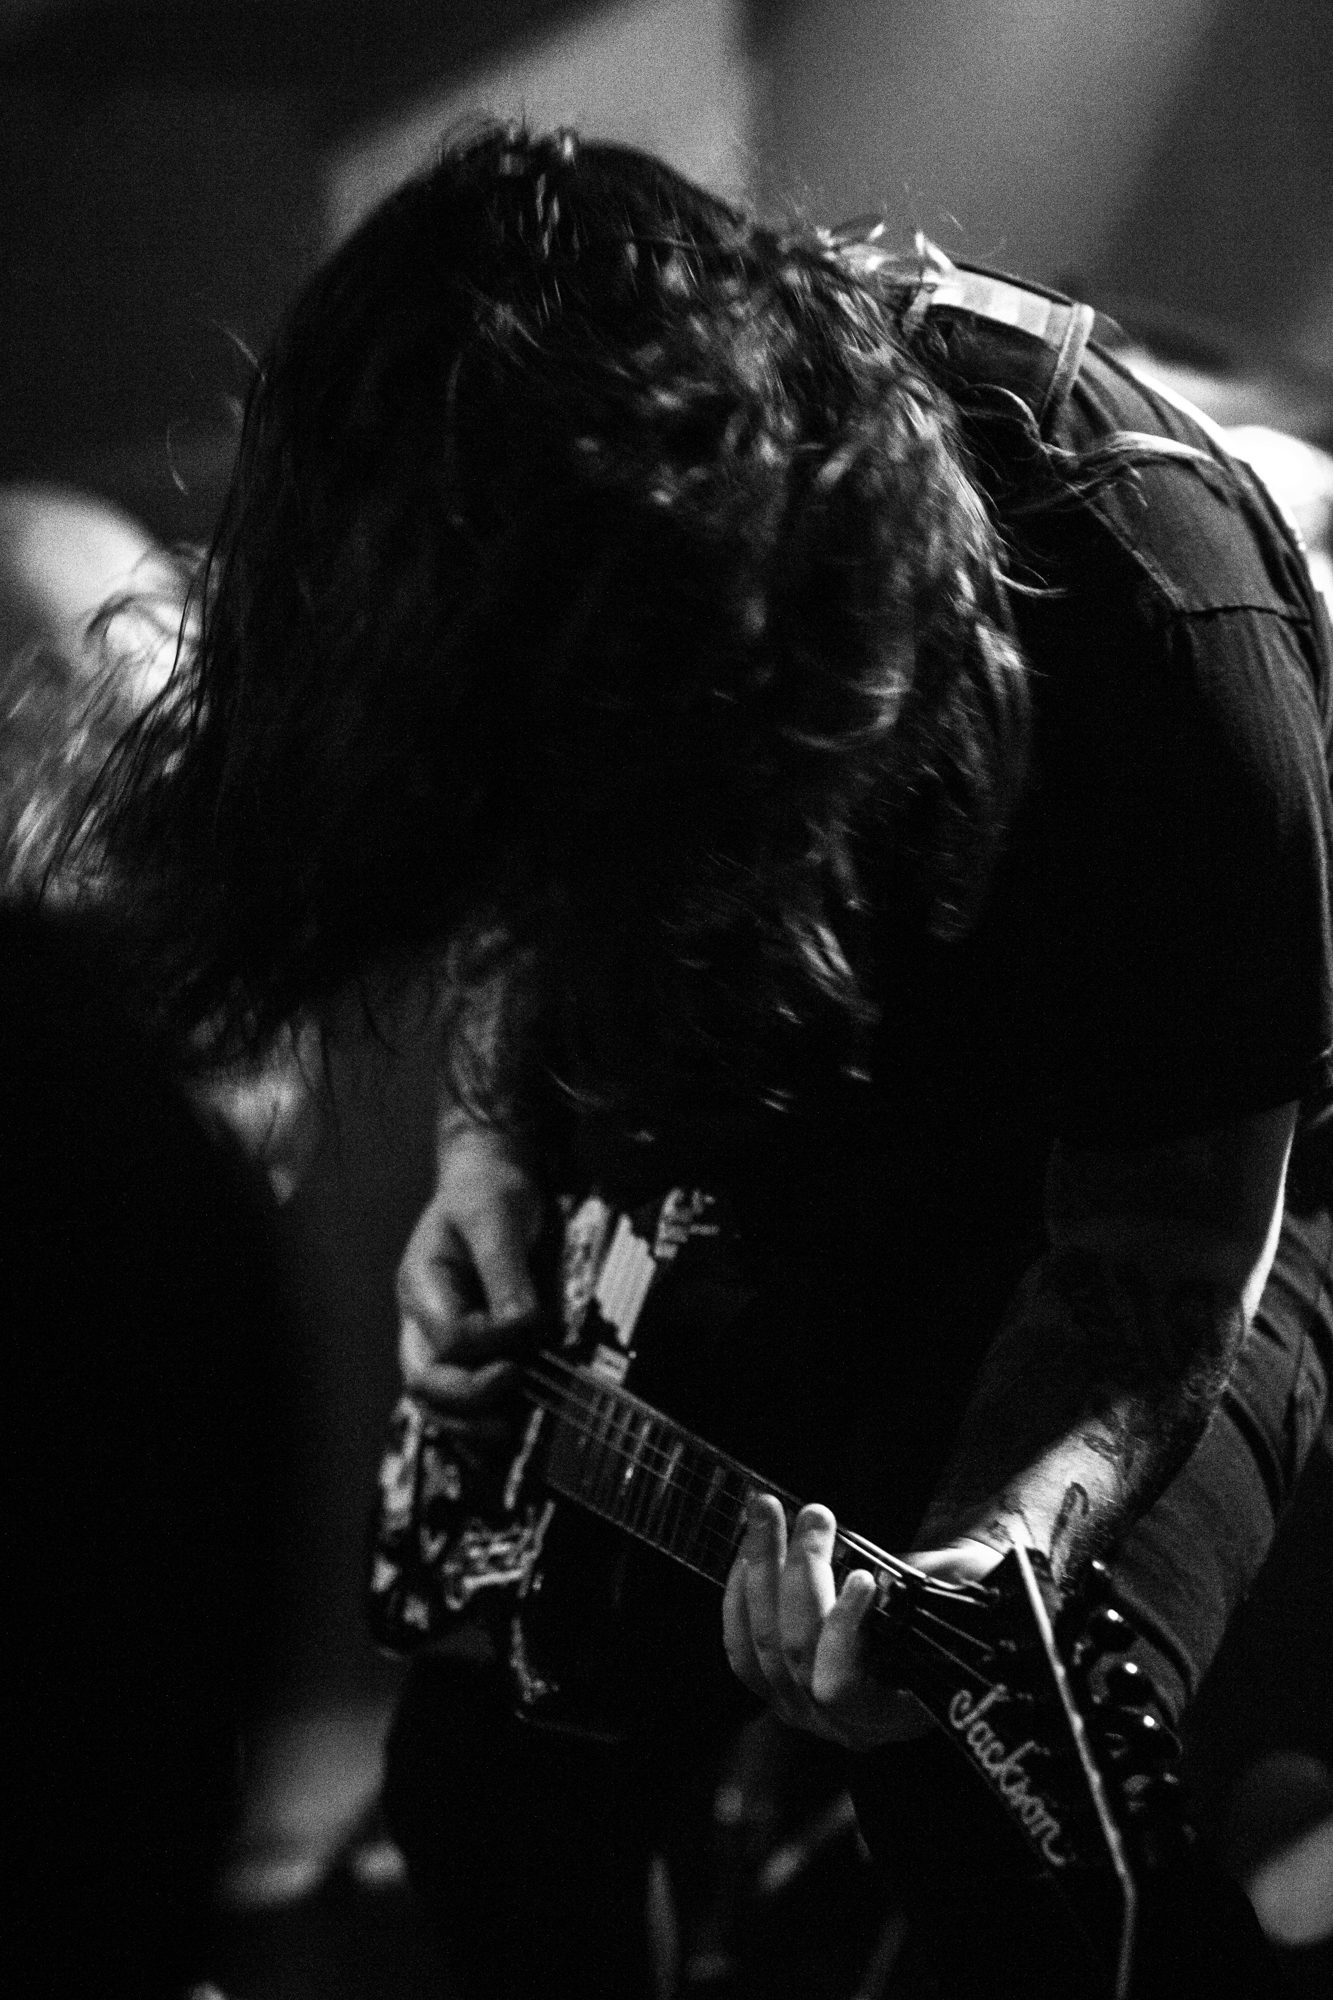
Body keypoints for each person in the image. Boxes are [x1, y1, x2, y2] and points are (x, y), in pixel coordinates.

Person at [81, 127, 1333, 1996]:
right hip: (806, 1112)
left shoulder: (1153, 602)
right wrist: (493, 1167)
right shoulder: (584, 603)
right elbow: (528, 875)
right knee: (490, 1800)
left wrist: (992, 1553)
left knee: (996, 1824)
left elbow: (1168, 1240)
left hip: (1168, 1199)